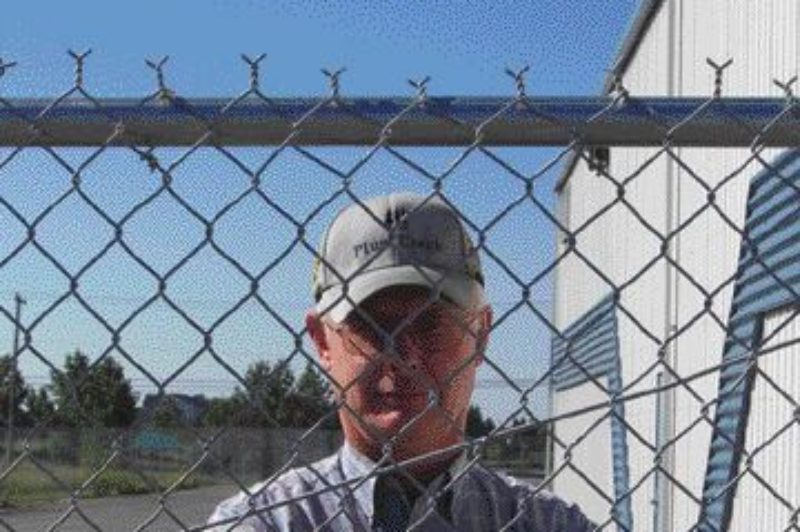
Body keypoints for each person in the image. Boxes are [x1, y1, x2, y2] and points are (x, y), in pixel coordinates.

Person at [207, 192, 594, 531]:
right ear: (322, 341)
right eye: (371, 326)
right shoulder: (261, 523)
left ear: (480, 335)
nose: (402, 355)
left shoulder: (549, 523)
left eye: (429, 324)